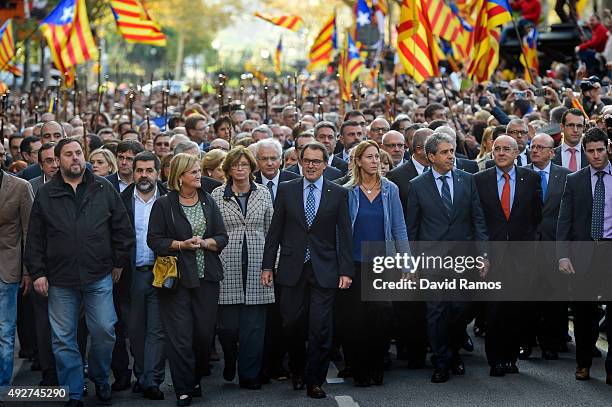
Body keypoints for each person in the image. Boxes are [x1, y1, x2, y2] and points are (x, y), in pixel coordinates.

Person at [25, 138, 134, 406]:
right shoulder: (46, 193)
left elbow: (122, 228)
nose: (75, 158)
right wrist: (38, 273)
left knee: (104, 331)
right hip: (60, 279)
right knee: (63, 338)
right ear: (58, 160)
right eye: (69, 155)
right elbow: (35, 238)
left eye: (78, 153)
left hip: (99, 275)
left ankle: (98, 376)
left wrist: (118, 263)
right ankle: (73, 390)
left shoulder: (103, 187)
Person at [261, 141, 353, 399]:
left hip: (325, 268)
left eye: (316, 161)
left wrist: (346, 271)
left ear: (325, 164)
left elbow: (345, 235)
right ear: (300, 162)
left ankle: (315, 380)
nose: (311, 165)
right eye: (307, 160)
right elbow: (275, 231)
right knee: (291, 323)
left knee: (320, 327)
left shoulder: (338, 193)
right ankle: (297, 369)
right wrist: (268, 265)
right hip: (292, 267)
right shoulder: (287, 190)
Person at [406, 132, 489, 383]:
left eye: (452, 150)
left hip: (463, 260)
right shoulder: (417, 185)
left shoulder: (467, 180)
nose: (451, 155)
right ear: (431, 156)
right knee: (436, 311)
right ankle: (442, 361)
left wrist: (484, 253)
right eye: (444, 152)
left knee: (460, 310)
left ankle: (452, 352)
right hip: (432, 261)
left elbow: (478, 219)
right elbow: (412, 228)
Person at [147, 153, 228, 406]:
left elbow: (222, 236)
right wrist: (181, 244)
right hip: (177, 281)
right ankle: (183, 388)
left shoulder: (208, 201)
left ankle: (195, 377)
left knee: (204, 335)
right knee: (180, 336)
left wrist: (205, 242)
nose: (199, 176)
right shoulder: (164, 204)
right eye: (193, 172)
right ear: (180, 177)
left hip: (207, 278)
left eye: (198, 171)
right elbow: (154, 240)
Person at [339, 140, 410, 386]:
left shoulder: (390, 189)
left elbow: (399, 227)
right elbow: (341, 231)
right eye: (369, 157)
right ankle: (358, 368)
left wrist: (406, 263)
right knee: (355, 320)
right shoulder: (346, 191)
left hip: (383, 264)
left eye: (377, 158)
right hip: (354, 264)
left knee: (382, 315)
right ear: (358, 161)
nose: (374, 162)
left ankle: (376, 364)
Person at [474, 135, 542, 377]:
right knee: (494, 311)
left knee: (516, 310)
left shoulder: (530, 178)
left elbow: (536, 216)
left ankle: (511, 358)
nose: (501, 153)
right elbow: (477, 219)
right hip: (492, 256)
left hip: (521, 256)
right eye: (497, 149)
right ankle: (496, 360)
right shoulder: (479, 180)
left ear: (516, 153)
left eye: (506, 149)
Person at [211, 146, 274, 390]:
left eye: (244, 165)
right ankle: (231, 359)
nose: (240, 169)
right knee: (228, 327)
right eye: (235, 165)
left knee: (254, 327)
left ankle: (249, 375)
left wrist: (272, 263)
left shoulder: (263, 193)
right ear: (228, 169)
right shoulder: (217, 195)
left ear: (251, 168)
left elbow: (271, 230)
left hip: (259, 262)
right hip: (228, 263)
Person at [557, 127, 612, 385]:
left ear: (608, 147)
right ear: (584, 152)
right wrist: (562, 256)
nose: (596, 155)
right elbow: (564, 221)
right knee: (584, 312)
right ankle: (583, 363)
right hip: (583, 253)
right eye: (590, 151)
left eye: (600, 150)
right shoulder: (575, 180)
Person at [120, 151, 167, 400]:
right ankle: (141, 373)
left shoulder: (170, 198)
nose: (144, 175)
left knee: (157, 329)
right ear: (133, 172)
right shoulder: (122, 199)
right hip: (133, 274)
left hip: (163, 272)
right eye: (140, 170)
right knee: (135, 329)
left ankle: (152, 379)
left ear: (158, 173)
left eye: (149, 170)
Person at [524, 133, 572, 361]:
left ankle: (550, 343)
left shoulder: (566, 177)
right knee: (528, 298)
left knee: (554, 299)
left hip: (555, 245)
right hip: (528, 245)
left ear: (552, 152)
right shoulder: (521, 175)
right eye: (532, 147)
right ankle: (526, 342)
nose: (535, 151)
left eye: (541, 147)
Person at [0, 168, 33, 386]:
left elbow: (29, 231)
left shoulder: (20, 187)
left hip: (7, 267)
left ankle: (2, 385)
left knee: (4, 330)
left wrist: (28, 271)